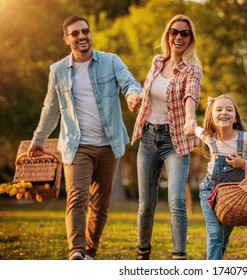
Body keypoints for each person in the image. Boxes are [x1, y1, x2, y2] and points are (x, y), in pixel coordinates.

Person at [27, 15, 142, 260]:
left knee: (100, 206)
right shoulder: (58, 70)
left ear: (90, 33)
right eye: (76, 33)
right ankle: (76, 252)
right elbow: (50, 109)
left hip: (109, 145)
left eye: (85, 31)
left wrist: (133, 95)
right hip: (76, 145)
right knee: (77, 197)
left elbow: (129, 83)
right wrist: (38, 140)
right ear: (66, 38)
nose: (82, 36)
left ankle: (90, 251)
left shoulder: (111, 61)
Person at [130, 14, 202, 260]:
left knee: (176, 201)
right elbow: (147, 92)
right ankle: (142, 254)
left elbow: (190, 96)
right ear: (168, 35)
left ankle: (179, 258)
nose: (178, 37)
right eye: (174, 32)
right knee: (145, 204)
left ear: (190, 38)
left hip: (175, 141)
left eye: (184, 33)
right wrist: (136, 100)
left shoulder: (192, 70)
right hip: (149, 137)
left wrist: (190, 117)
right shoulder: (157, 62)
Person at [195, 94, 247, 260]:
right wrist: (191, 120)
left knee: (223, 236)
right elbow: (194, 127)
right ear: (212, 117)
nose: (224, 112)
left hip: (235, 196)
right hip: (210, 192)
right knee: (215, 233)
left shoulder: (245, 139)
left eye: (229, 109)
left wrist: (243, 163)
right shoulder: (209, 137)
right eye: (219, 110)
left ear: (235, 117)